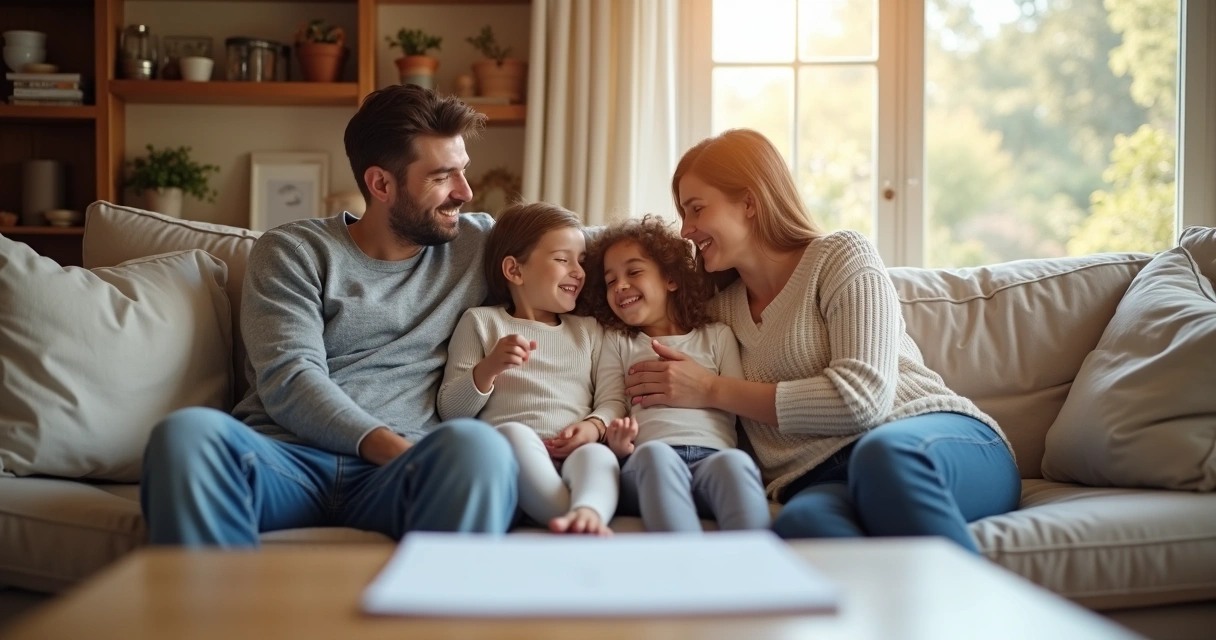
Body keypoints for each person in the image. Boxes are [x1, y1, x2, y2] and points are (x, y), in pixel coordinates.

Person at [140, 85, 519, 546]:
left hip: (400, 476)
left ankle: (434, 614)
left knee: (478, 449)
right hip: (287, 460)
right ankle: (222, 613)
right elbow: (290, 377)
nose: (465, 192)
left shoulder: (480, 244)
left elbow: (577, 261)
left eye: (462, 170)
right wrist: (393, 450)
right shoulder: (294, 251)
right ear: (381, 184)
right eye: (442, 177)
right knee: (186, 436)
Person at [623, 129, 1020, 552]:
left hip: (933, 442)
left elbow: (862, 400)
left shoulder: (840, 256)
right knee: (802, 526)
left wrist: (711, 389)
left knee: (882, 457)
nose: (686, 229)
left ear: (749, 203)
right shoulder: (718, 315)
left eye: (697, 209)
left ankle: (970, 616)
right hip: (823, 479)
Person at [438, 202, 626, 536]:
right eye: (562, 259)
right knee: (511, 434)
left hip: (576, 454)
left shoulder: (589, 330)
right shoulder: (482, 323)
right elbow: (452, 410)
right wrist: (490, 368)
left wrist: (594, 427)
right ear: (514, 270)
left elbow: (614, 400)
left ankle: (587, 512)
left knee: (598, 457)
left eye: (581, 261)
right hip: (514, 461)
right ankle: (565, 515)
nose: (579, 272)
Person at [580, 215, 770, 532]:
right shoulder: (619, 341)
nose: (621, 285)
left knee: (736, 464)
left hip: (712, 458)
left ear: (671, 278)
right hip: (646, 461)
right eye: (611, 281)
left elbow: (736, 399)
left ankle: (757, 569)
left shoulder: (718, 336)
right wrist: (614, 440)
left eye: (634, 271)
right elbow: (611, 402)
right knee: (655, 456)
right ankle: (684, 568)